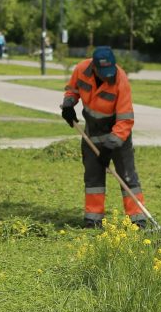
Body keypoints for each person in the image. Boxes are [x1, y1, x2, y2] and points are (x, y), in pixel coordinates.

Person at [59, 46, 147, 229]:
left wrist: (110, 146)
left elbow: (125, 120)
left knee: (127, 176)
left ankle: (138, 219)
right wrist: (68, 105)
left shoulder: (120, 80)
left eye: (110, 71)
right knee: (93, 179)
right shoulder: (81, 70)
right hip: (92, 133)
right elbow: (72, 90)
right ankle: (93, 219)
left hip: (117, 136)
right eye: (104, 72)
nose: (108, 76)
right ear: (94, 67)